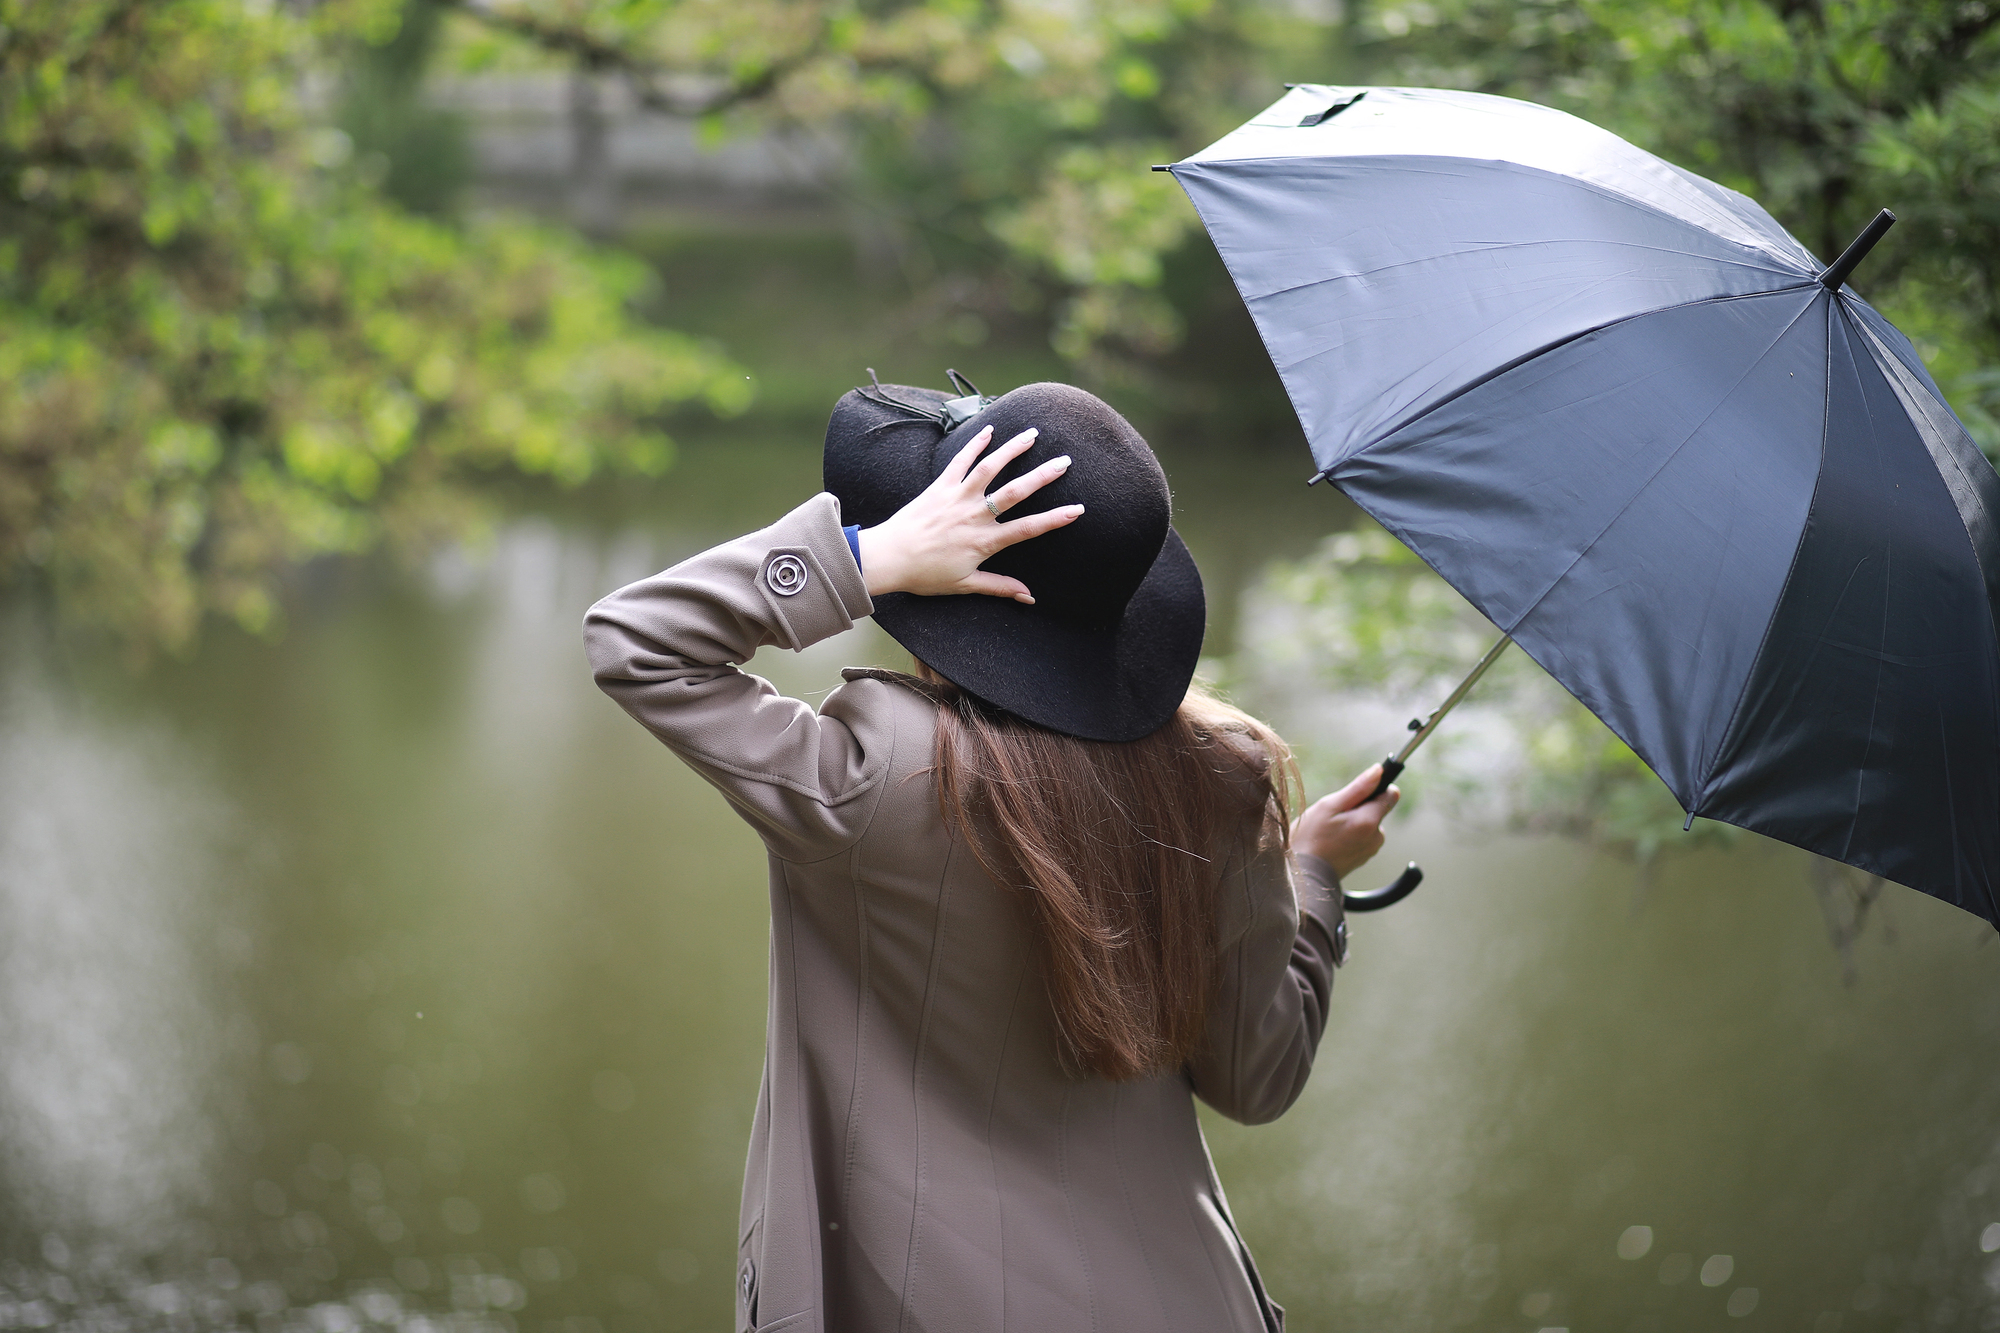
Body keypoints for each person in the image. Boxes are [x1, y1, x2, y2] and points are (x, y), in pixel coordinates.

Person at [584, 379, 1399, 1333]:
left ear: (952, 566)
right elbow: (1254, 1078)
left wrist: (870, 556)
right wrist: (1311, 877)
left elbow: (637, 642)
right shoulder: (1224, 788)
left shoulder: (874, 773)